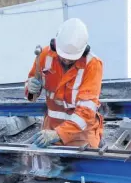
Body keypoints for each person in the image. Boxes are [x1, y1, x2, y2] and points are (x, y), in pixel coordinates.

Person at [24, 18, 104, 148]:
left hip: (81, 132)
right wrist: (31, 88)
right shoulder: (44, 56)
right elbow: (31, 89)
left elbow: (86, 112)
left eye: (71, 58)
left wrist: (59, 133)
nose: (66, 60)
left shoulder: (92, 65)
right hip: (50, 128)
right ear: (55, 45)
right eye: (63, 56)